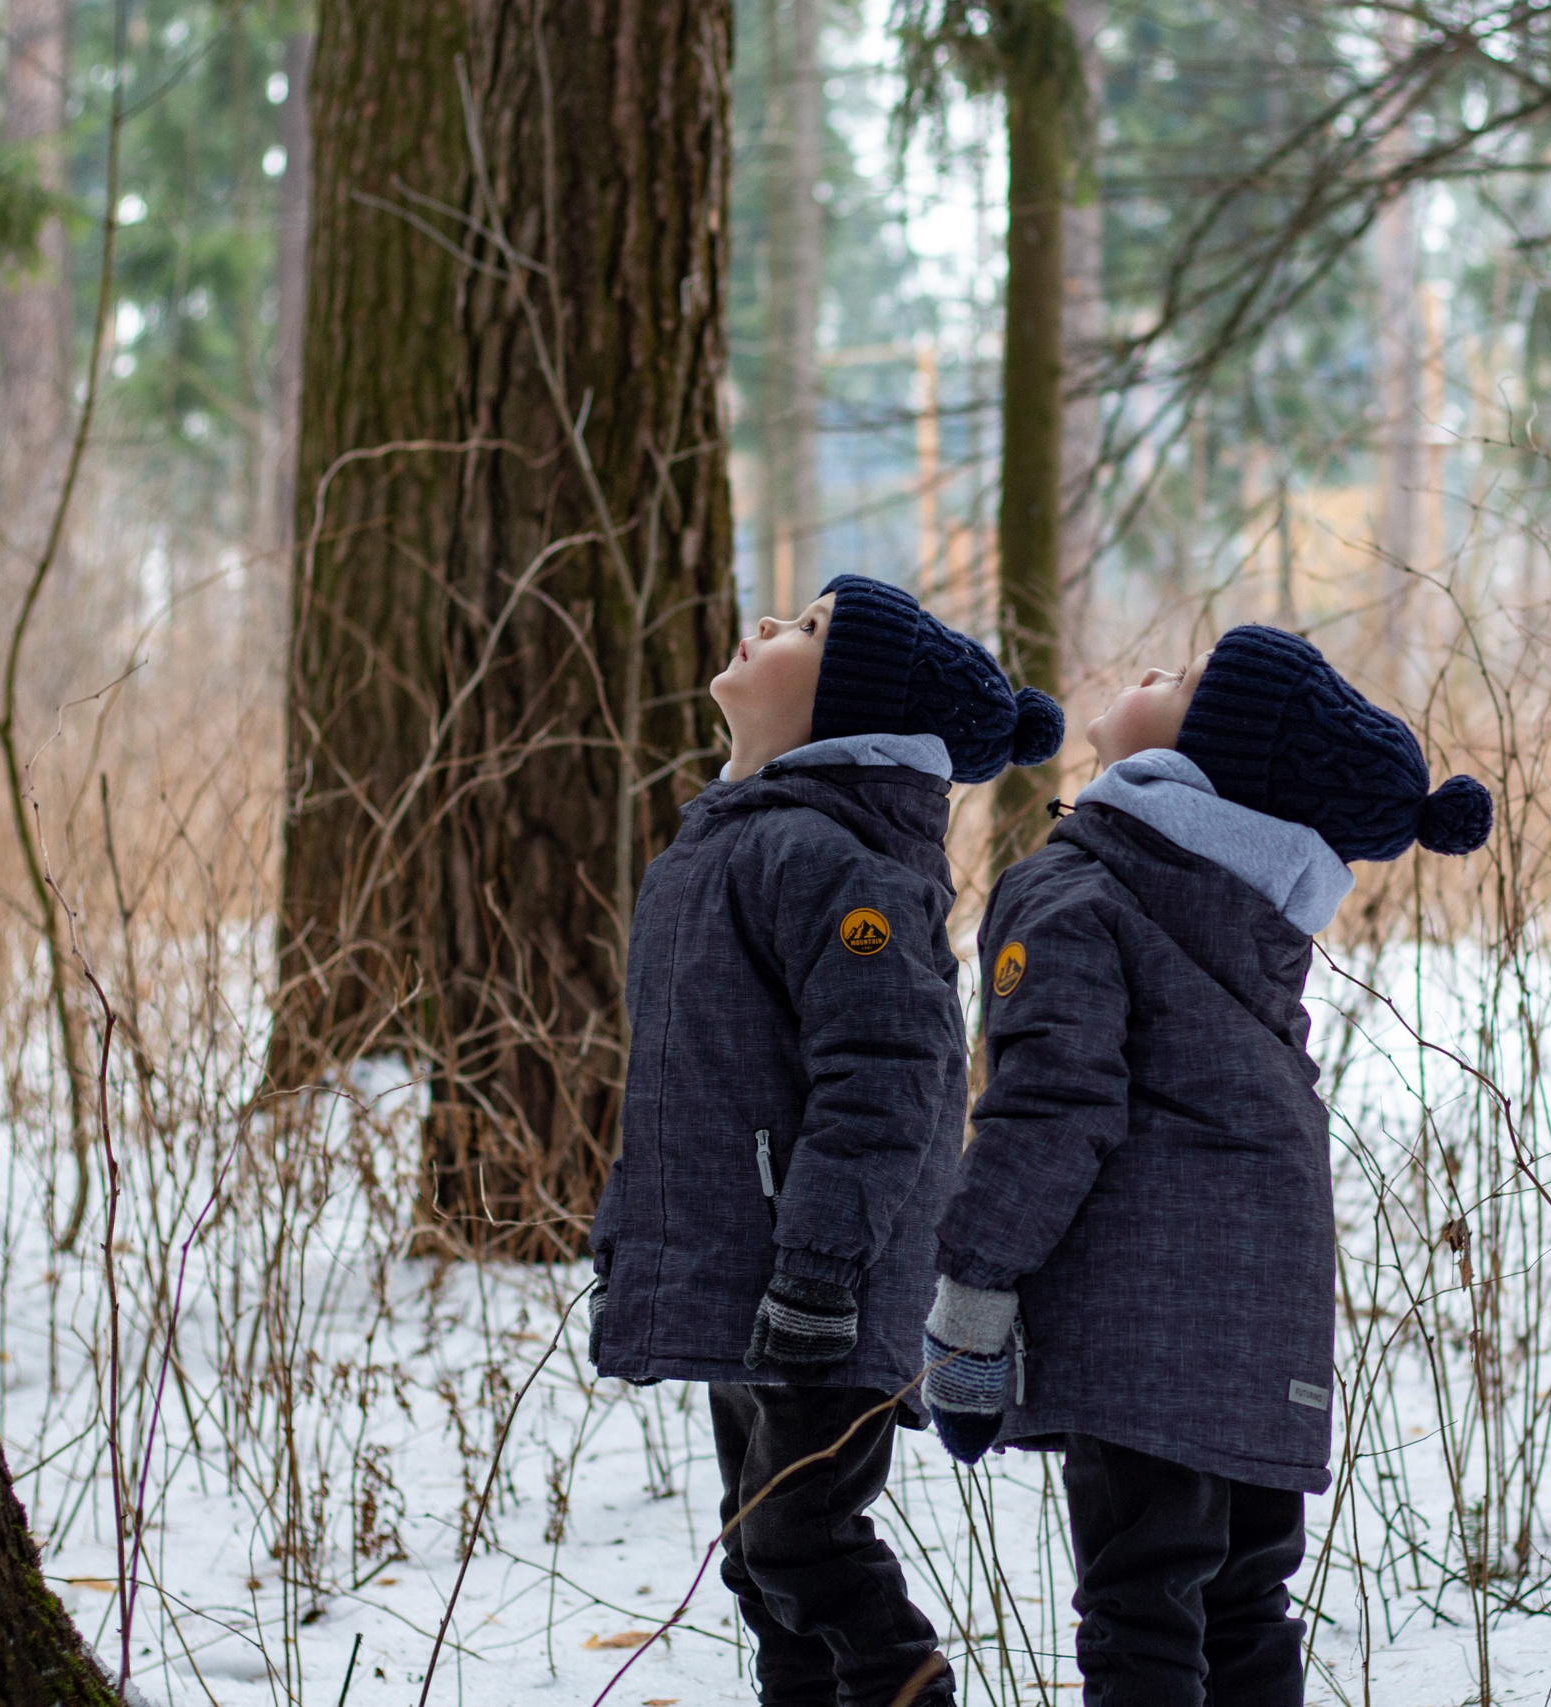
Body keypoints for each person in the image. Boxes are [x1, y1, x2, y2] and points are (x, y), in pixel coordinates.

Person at [918, 625, 1492, 1707]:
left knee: (1140, 1614)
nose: (1144, 672)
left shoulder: (1078, 889)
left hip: (1138, 1339)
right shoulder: (1247, 917)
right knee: (1241, 1611)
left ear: (1202, 768)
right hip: (1266, 1339)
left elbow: (1047, 1111)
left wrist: (971, 1301)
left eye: (1179, 684)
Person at [588, 573, 1062, 1707]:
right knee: (759, 1556)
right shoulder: (724, 844)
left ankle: (912, 1691)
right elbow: (680, 1088)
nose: (767, 626)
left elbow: (892, 1082)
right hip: (744, 1271)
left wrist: (816, 1273)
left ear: (854, 712)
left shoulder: (834, 864)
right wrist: (631, 1236)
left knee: (803, 1541)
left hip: (814, 1287)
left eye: (806, 631)